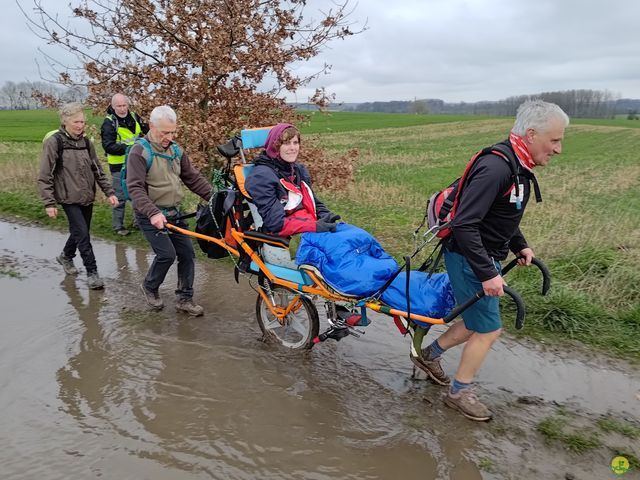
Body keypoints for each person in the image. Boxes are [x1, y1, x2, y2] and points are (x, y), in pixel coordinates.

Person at [415, 100, 569, 421]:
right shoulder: (498, 167)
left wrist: (520, 246)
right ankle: (459, 392)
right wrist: (487, 273)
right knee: (489, 329)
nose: (558, 149)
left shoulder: (519, 165)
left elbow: (502, 217)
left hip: (482, 256)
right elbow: (465, 224)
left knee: (477, 324)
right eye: (554, 140)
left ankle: (429, 354)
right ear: (530, 134)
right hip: (470, 257)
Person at [126, 105, 212, 316]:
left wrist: (215, 197)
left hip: (175, 213)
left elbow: (192, 178)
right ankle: (149, 286)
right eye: (165, 132)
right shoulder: (139, 152)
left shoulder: (175, 151)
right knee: (167, 254)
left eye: (173, 132)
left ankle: (185, 299)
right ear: (151, 126)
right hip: (149, 214)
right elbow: (135, 188)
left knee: (187, 254)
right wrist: (153, 213)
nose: (170, 137)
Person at [38, 102, 119, 290]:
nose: (80, 125)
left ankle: (66, 256)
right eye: (76, 121)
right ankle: (93, 273)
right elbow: (45, 174)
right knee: (83, 235)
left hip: (87, 196)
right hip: (68, 198)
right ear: (65, 121)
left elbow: (97, 169)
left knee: (80, 232)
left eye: (82, 121)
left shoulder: (86, 143)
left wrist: (109, 192)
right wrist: (49, 202)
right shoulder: (55, 142)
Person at [244, 123, 340, 265]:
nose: (293, 148)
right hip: (290, 236)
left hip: (309, 227)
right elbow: (275, 223)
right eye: (286, 143)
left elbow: (313, 202)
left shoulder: (298, 170)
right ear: (275, 146)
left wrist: (326, 216)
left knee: (355, 236)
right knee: (343, 252)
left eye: (295, 142)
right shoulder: (261, 177)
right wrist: (315, 226)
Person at [100, 93, 149, 236]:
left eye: (124, 105)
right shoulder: (109, 123)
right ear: (113, 106)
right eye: (119, 106)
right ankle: (118, 226)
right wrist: (131, 148)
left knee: (139, 193)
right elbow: (108, 146)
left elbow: (147, 133)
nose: (122, 109)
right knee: (120, 197)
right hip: (118, 166)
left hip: (137, 163)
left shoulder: (135, 116)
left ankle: (138, 222)